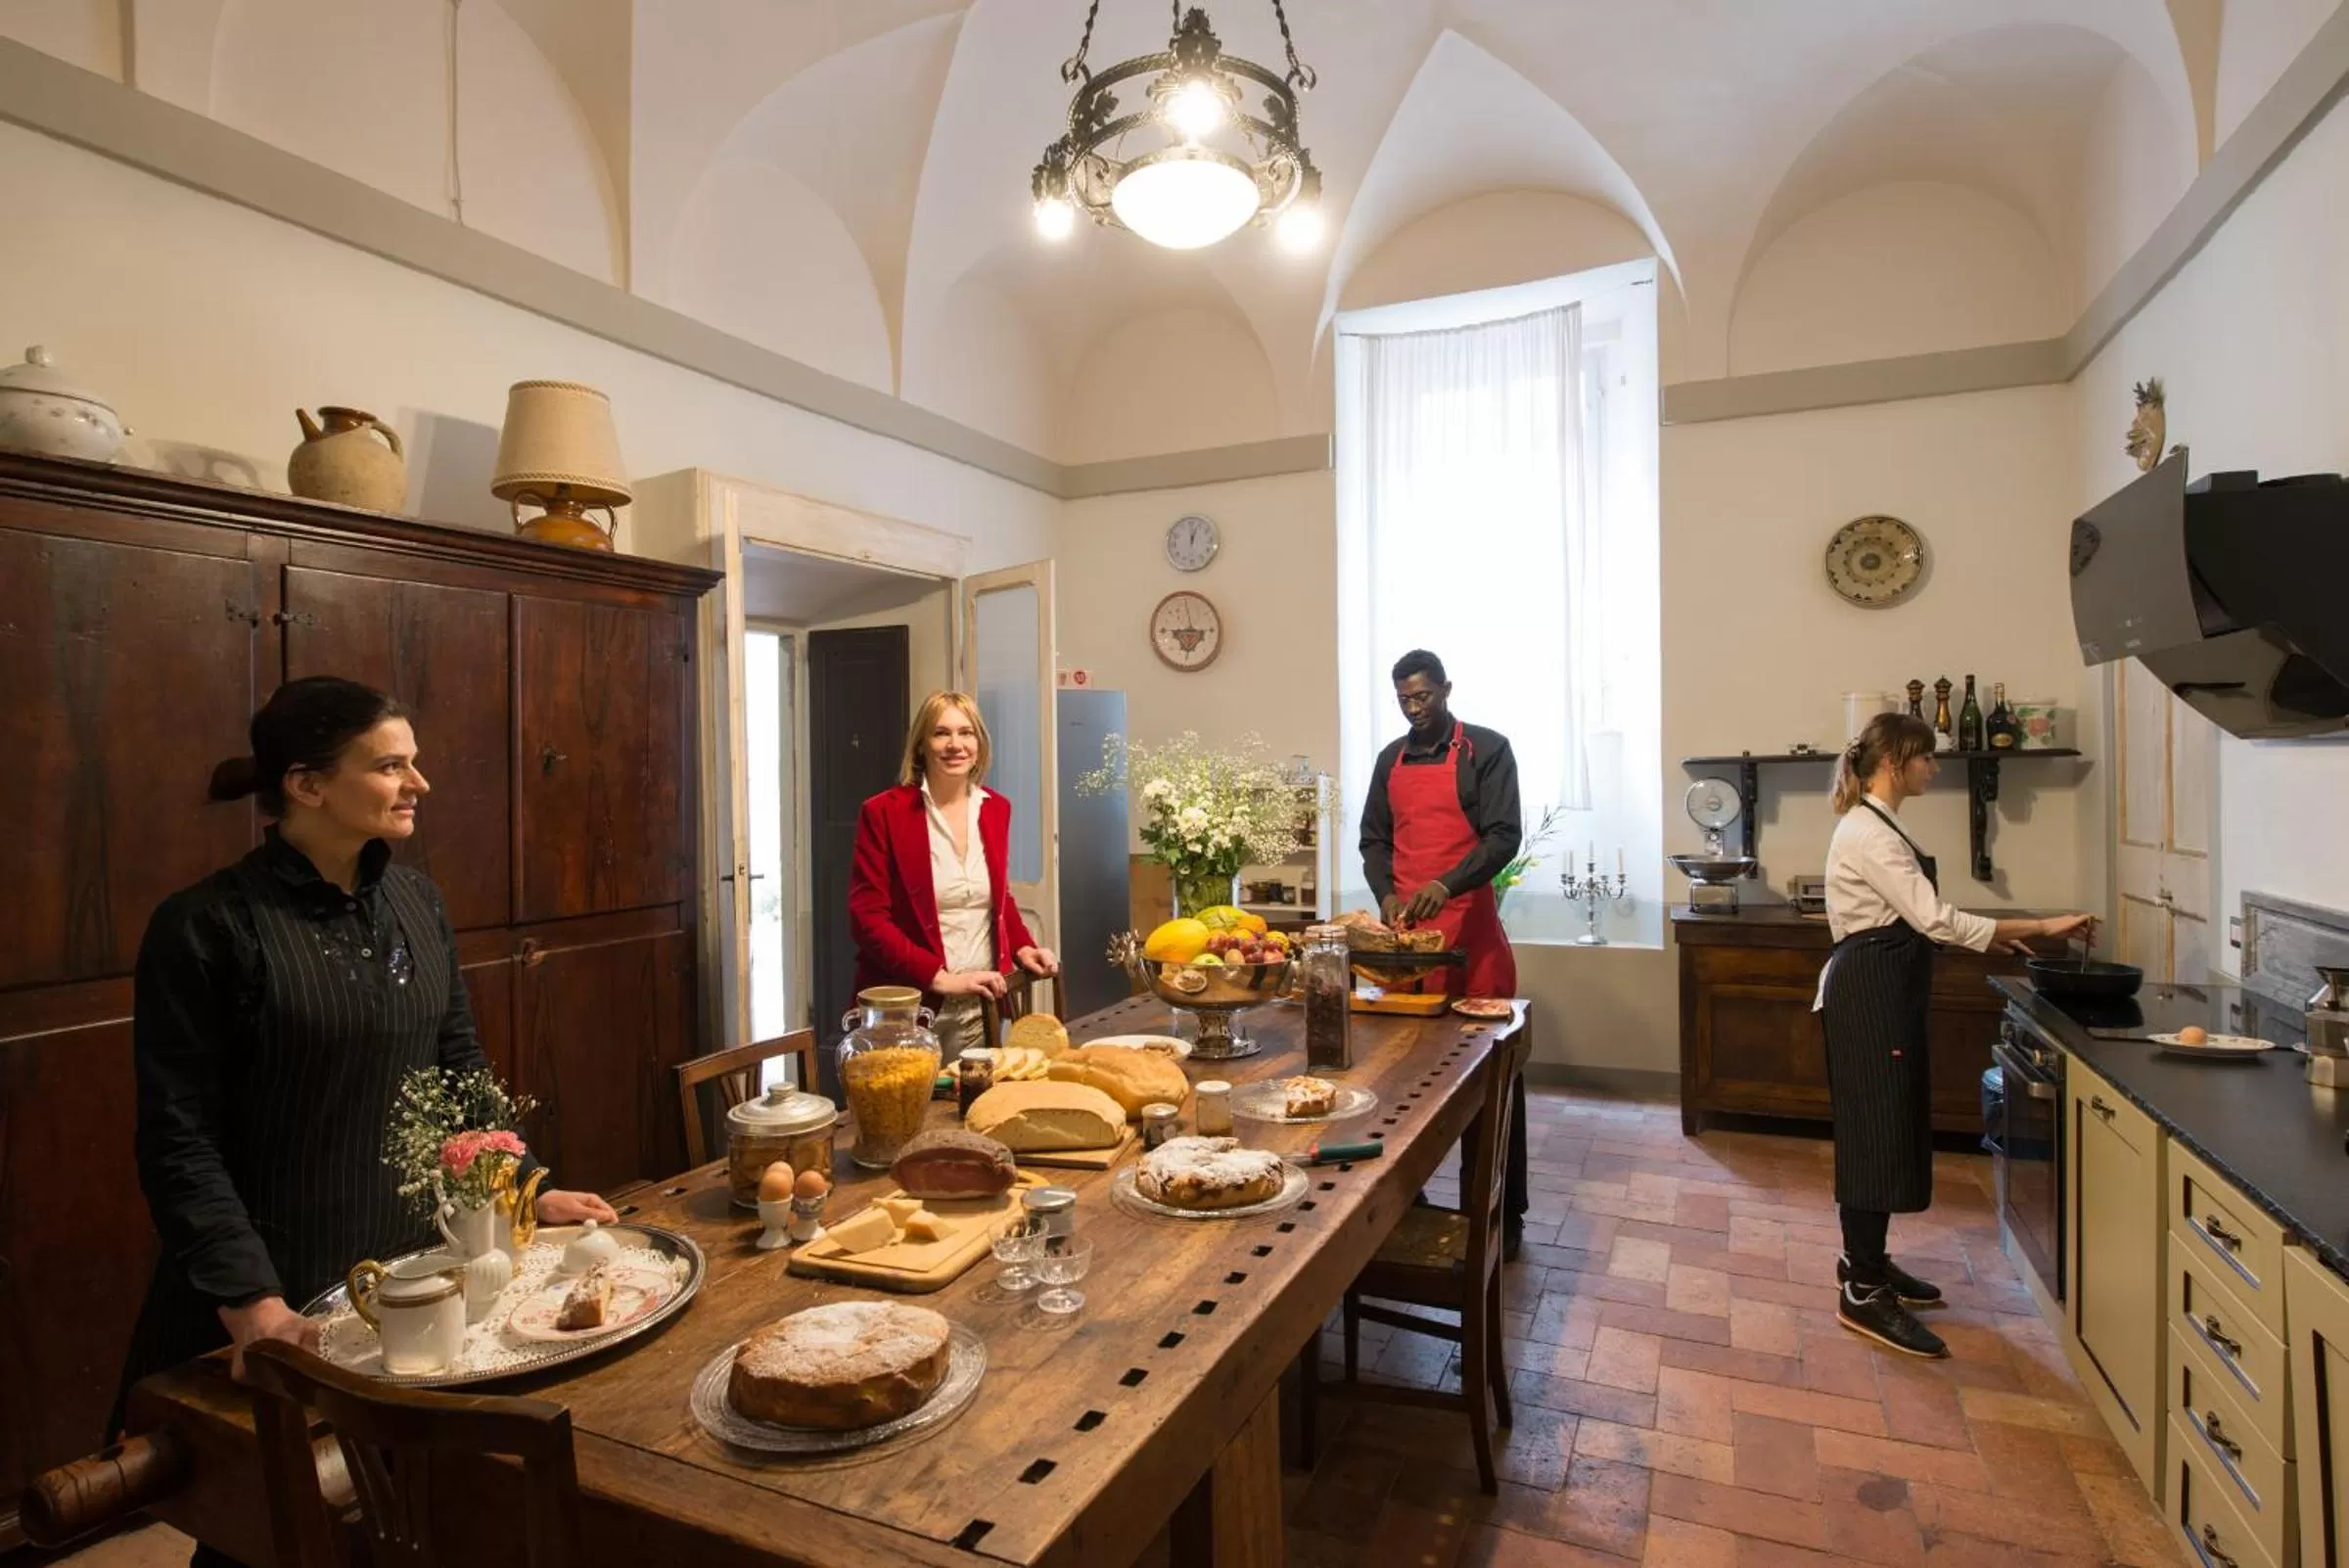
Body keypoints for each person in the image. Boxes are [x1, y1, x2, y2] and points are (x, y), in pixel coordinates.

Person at [117, 678, 616, 1566]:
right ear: (307, 786)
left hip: (420, 1266)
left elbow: (459, 1070)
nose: (418, 781)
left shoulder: (416, 905)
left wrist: (529, 1184)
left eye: (412, 761)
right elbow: (177, 1140)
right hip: (280, 1286)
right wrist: (255, 1306)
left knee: (418, 1513)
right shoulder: (206, 926)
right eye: (390, 765)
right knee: (275, 1531)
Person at [1818, 713, 2096, 1358]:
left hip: (1885, 990)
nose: (1934, 769)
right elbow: (1935, 919)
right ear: (1894, 763)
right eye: (1925, 759)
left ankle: (1867, 1260)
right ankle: (1861, 1288)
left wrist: (2006, 934)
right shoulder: (1870, 833)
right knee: (1874, 1131)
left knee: (1884, 1125)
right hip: (1871, 996)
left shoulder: (1880, 825)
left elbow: (1919, 919)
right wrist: (2045, 924)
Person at [1359, 649, 1529, 1257]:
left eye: (1424, 696)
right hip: (1407, 950)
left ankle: (1503, 1216)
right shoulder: (1390, 759)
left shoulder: (1486, 749)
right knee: (1400, 1080)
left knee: (1491, 1083)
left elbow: (1504, 835)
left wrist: (1444, 886)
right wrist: (1386, 894)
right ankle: (1407, 1201)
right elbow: (1374, 839)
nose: (1414, 707)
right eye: (1404, 698)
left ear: (1446, 689)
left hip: (1473, 943)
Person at [849, 691, 1059, 1054]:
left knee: (970, 1109)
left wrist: (1023, 945)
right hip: (906, 1010)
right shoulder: (883, 813)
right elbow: (867, 920)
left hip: (981, 1006)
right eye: (941, 733)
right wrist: (941, 978)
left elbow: (998, 898)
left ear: (980, 742)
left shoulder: (996, 809)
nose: (955, 745)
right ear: (921, 745)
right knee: (903, 1110)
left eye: (966, 733)